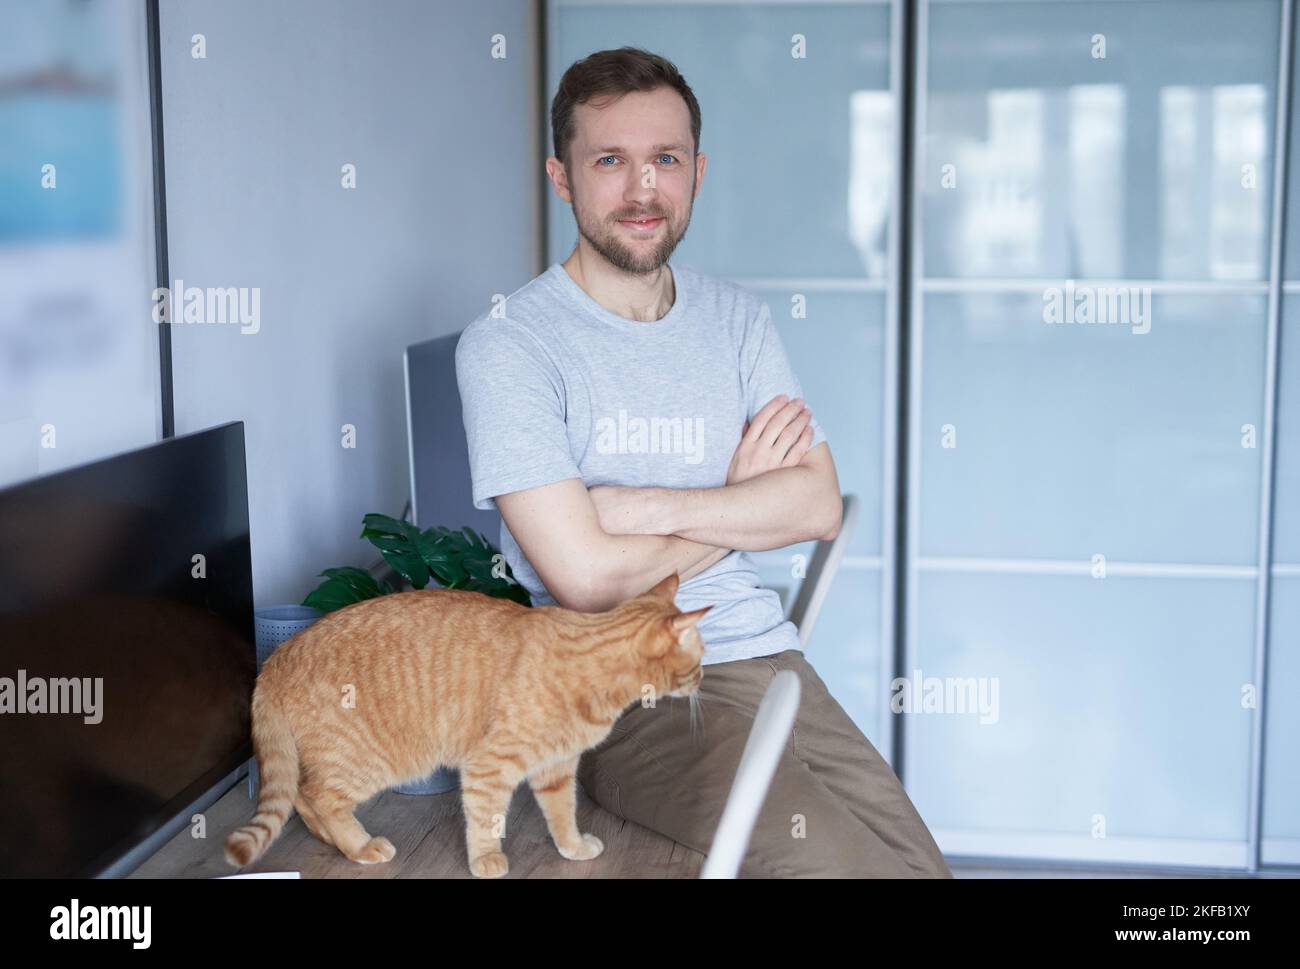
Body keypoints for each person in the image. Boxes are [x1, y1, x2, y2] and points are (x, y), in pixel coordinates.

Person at [455, 46, 950, 878]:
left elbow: (817, 504)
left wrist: (640, 508)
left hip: (767, 656)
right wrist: (740, 499)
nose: (642, 189)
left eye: (665, 160)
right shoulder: (509, 346)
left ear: (697, 171)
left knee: (920, 868)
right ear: (561, 177)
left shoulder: (737, 320)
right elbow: (588, 582)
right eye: (610, 160)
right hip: (631, 697)